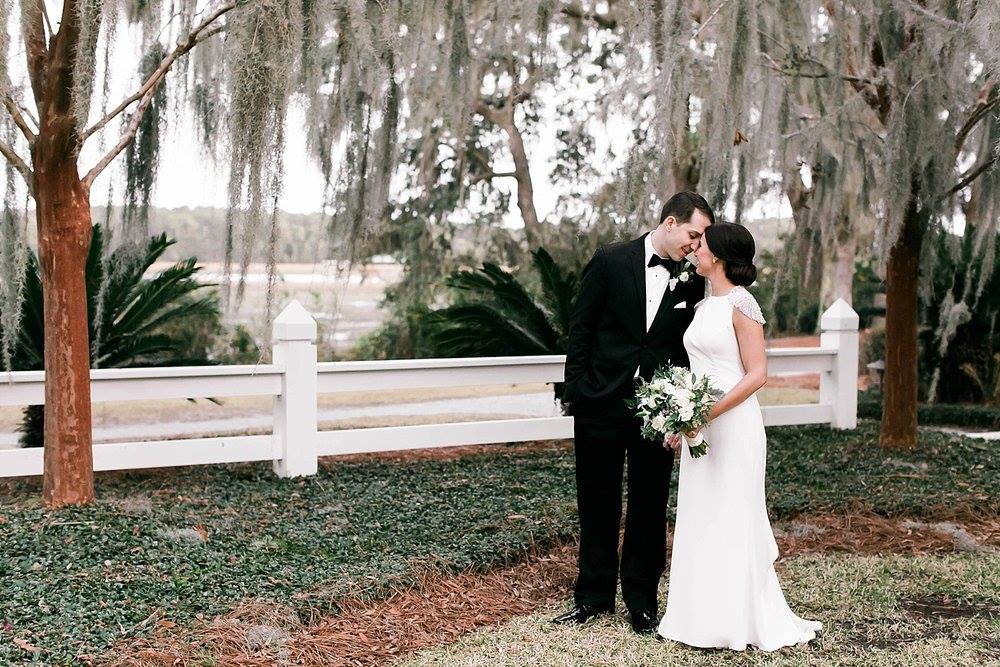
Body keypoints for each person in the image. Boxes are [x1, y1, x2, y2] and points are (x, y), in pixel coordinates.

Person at [657, 222, 822, 650]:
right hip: (699, 429)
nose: (695, 249)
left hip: (734, 426)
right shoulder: (701, 306)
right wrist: (681, 420)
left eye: (703, 245)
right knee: (701, 514)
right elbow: (695, 373)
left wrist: (707, 411)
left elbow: (757, 373)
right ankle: (697, 619)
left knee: (731, 514)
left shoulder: (741, 303)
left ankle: (736, 621)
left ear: (720, 256)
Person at [555, 191, 714, 635]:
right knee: (597, 502)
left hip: (658, 414)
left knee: (649, 505)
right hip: (600, 404)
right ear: (668, 223)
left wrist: (681, 409)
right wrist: (578, 393)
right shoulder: (609, 260)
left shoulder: (692, 278)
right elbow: (581, 328)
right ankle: (592, 597)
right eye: (693, 234)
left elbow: (686, 346)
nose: (696, 245)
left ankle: (641, 601)